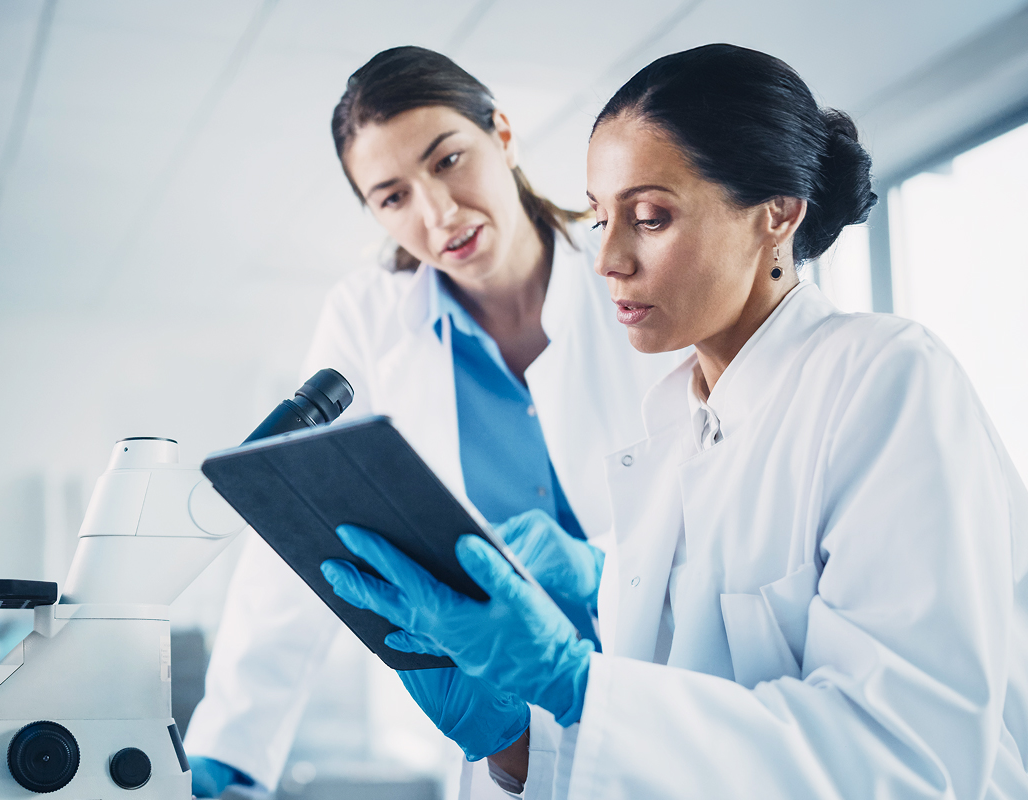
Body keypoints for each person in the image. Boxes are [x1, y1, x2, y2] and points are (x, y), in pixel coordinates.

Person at [322, 43, 1028, 798]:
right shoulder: (668, 435)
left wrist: (572, 686)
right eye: (600, 219)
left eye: (650, 217)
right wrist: (515, 741)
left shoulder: (884, 380)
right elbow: (658, 751)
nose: (608, 260)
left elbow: (908, 764)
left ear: (777, 214)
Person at [182, 46, 674, 797]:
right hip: (504, 729)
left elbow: (716, 487)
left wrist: (607, 572)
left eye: (448, 160)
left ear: (502, 136)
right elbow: (306, 536)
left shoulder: (626, 270)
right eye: (393, 196)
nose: (437, 213)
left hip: (669, 686)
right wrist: (234, 747)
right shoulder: (368, 317)